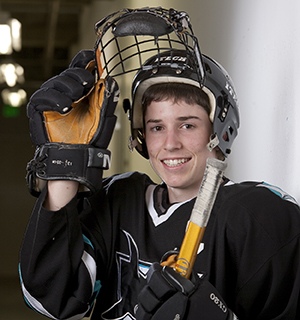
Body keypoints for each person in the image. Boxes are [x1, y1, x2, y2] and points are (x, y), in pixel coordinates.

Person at [20, 7, 300, 320]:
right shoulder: (119, 200)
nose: (170, 143)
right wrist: (63, 166)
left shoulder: (255, 216)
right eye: (156, 127)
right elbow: (52, 298)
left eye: (188, 124)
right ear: (141, 133)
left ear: (220, 128)